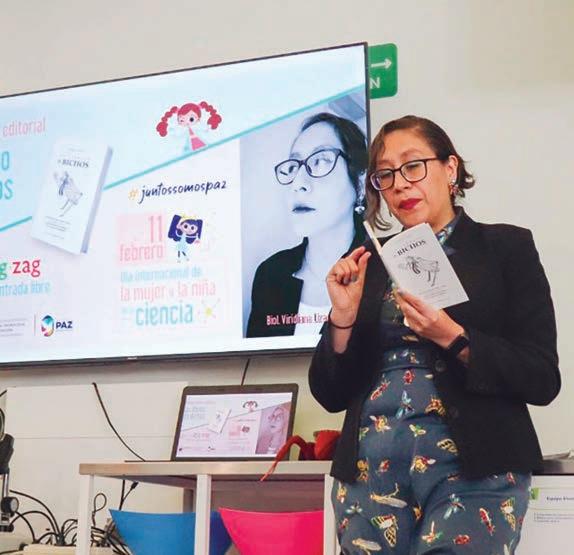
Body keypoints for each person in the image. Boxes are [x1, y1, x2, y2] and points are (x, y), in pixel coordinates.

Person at [309, 115, 560, 554]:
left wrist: (454, 337)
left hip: (474, 473)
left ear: (450, 168)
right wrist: (342, 318)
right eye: (385, 175)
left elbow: (541, 377)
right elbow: (329, 393)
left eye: (413, 166)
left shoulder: (505, 248)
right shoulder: (368, 264)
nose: (400, 184)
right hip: (369, 476)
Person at [246, 112, 368, 337]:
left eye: (319, 161)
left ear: (360, 182)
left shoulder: (383, 270)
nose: (299, 183)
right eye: (294, 167)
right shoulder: (271, 274)